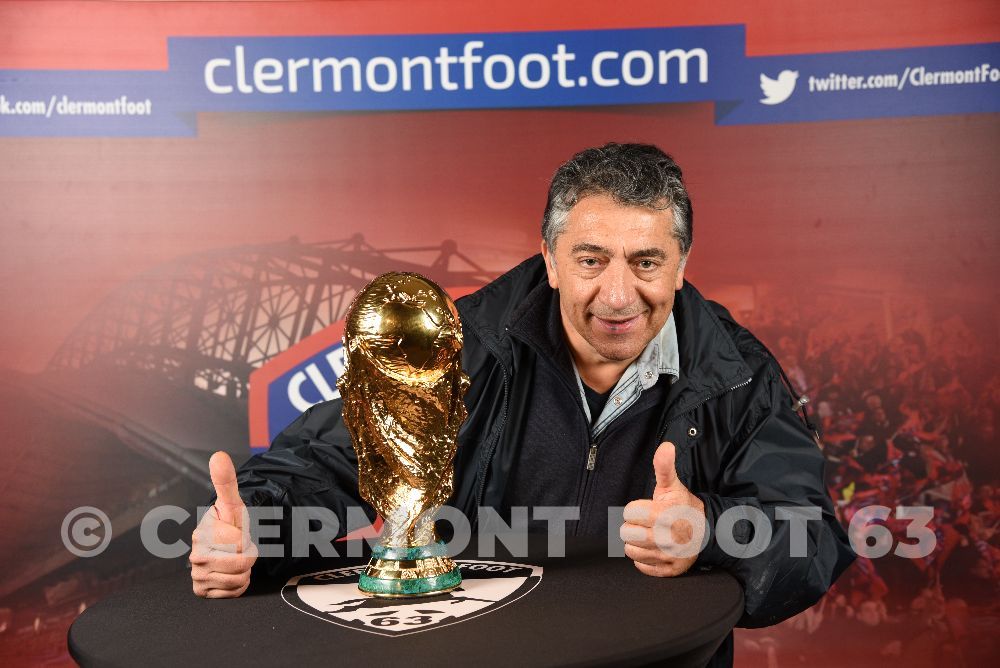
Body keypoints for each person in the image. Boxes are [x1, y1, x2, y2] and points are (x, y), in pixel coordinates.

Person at [190, 143, 855, 665]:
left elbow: (812, 538)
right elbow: (323, 462)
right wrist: (252, 530)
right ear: (551, 259)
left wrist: (710, 529)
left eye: (647, 262)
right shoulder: (463, 348)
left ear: (682, 264)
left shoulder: (738, 374)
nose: (618, 295)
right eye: (591, 260)